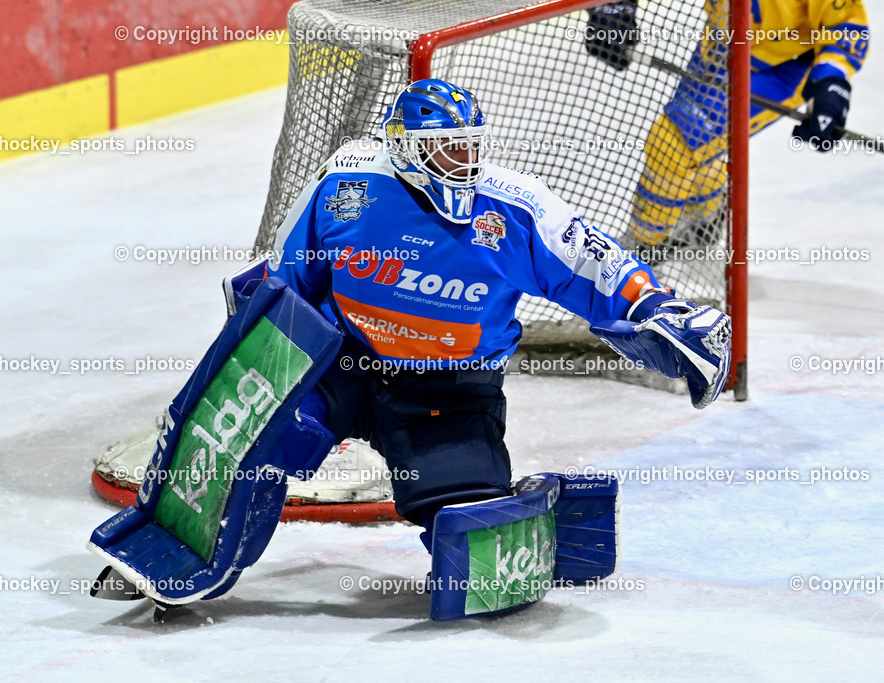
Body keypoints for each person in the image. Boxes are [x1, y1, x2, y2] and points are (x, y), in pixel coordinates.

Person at [266, 78, 732, 534]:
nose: (464, 162)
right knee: (252, 437)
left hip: (447, 395)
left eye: (470, 146)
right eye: (447, 147)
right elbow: (285, 280)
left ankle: (487, 493)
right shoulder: (348, 183)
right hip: (343, 367)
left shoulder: (514, 208)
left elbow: (593, 264)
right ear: (406, 149)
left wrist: (652, 307)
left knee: (468, 523)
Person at [584, 0, 870, 247]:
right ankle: (702, 221)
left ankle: (644, 245)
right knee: (695, 148)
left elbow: (846, 26)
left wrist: (830, 84)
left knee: (672, 144)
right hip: (718, 49)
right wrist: (615, 7)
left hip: (780, 70)